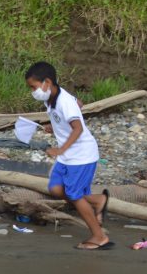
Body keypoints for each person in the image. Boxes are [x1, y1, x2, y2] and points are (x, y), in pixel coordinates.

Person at [25, 62, 110, 250]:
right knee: (55, 189)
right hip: (68, 156)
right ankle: (97, 200)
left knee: (74, 194)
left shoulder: (63, 101)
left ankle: (99, 236)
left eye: (33, 86)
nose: (32, 91)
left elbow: (78, 127)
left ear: (47, 82)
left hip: (81, 155)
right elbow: (80, 104)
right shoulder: (52, 97)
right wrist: (54, 126)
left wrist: (60, 150)